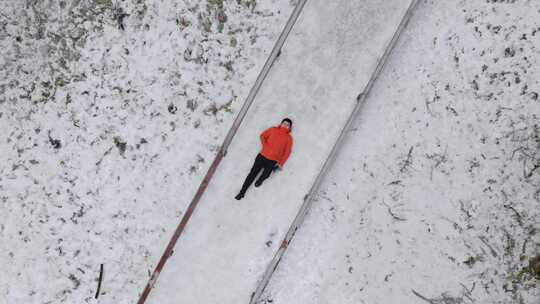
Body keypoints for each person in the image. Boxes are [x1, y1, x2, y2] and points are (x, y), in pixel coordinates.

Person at [235, 118, 294, 200]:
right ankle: (242, 192)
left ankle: (260, 180)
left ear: (289, 128)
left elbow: (287, 152)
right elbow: (262, 136)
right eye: (284, 123)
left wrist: (281, 163)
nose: (285, 125)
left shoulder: (289, 138)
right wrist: (265, 145)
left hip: (273, 160)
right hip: (262, 156)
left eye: (288, 125)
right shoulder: (273, 129)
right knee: (252, 174)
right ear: (281, 123)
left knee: (266, 174)